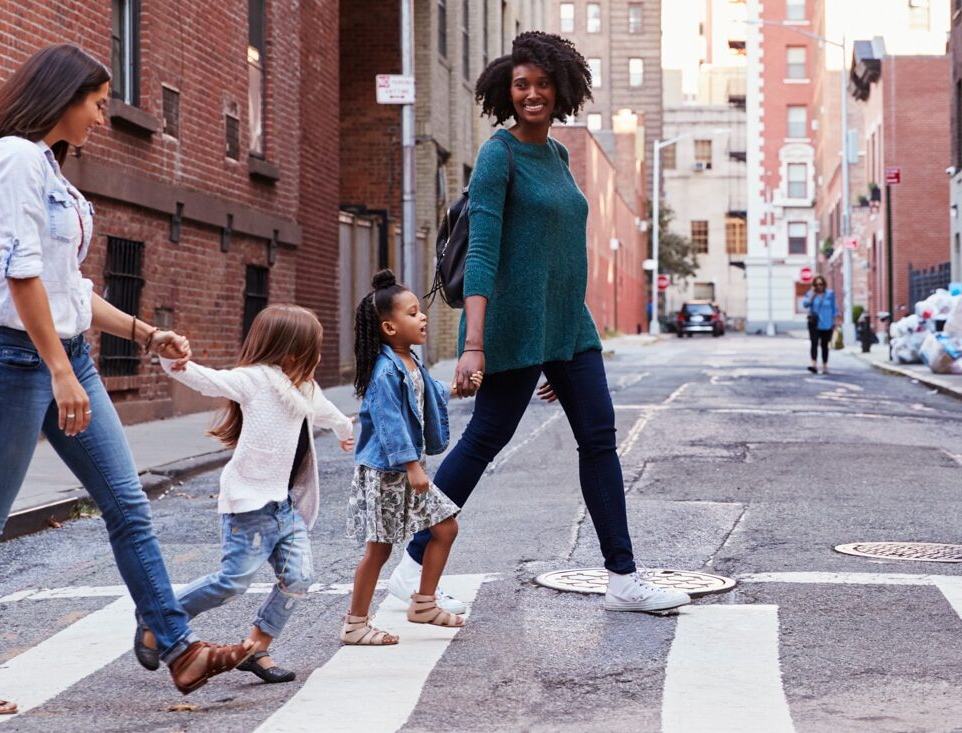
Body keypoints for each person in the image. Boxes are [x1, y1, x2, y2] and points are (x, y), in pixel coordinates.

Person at [0, 44, 254, 716]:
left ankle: (179, 645)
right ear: (63, 96)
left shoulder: (49, 169)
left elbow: (66, 287)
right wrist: (56, 370)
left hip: (62, 355)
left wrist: (143, 333)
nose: (103, 117)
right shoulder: (15, 159)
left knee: (127, 503)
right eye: (99, 103)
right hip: (19, 360)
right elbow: (19, 275)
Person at [387, 32, 691, 614]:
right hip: (514, 327)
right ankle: (412, 562)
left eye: (542, 84)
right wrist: (473, 345)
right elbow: (481, 255)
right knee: (485, 440)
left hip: (568, 329)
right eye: (521, 85)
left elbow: (558, 251)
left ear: (561, 90)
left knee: (600, 439)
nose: (532, 94)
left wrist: (560, 345)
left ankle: (623, 577)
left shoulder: (556, 155)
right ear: (508, 91)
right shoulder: (499, 156)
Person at [134, 304, 355, 680]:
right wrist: (172, 361)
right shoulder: (255, 380)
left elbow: (326, 411)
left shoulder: (306, 387)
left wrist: (343, 430)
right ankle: (159, 617)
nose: (318, 356)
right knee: (232, 582)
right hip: (249, 506)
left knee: (299, 577)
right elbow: (207, 380)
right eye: (314, 348)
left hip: (284, 508)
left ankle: (256, 649)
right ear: (292, 352)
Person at [341, 270, 480, 645]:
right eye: (413, 312)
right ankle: (355, 623)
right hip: (388, 472)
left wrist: (452, 387)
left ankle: (424, 603)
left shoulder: (411, 361)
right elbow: (389, 425)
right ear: (389, 327)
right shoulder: (384, 371)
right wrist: (413, 466)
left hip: (406, 470)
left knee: (446, 527)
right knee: (380, 549)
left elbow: (425, 392)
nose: (422, 318)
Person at [803, 276, 840, 374]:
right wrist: (812, 295)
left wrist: (836, 321)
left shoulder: (830, 294)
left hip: (827, 323)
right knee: (814, 343)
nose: (819, 286)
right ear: (814, 285)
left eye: (821, 284)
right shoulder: (810, 294)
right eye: (817, 284)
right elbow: (805, 304)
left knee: (824, 345)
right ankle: (814, 364)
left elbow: (834, 308)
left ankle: (825, 365)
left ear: (824, 284)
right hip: (814, 323)